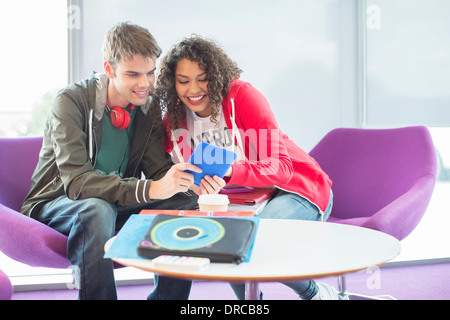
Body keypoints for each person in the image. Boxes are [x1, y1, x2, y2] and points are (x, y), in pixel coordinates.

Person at [20, 23, 224, 300]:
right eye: (133, 74)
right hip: (59, 203)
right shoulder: (71, 101)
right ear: (108, 69)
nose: (144, 84)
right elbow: (77, 183)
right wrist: (151, 189)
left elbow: (159, 172)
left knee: (183, 201)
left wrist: (188, 183)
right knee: (96, 209)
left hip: (113, 203)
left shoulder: (147, 106)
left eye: (150, 73)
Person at [152, 35, 343, 300]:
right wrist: (191, 182)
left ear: (216, 76)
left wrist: (231, 171)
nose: (193, 89)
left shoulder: (242, 96)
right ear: (173, 83)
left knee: (252, 239)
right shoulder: (174, 117)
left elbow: (282, 168)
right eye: (183, 81)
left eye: (203, 78)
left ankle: (316, 293)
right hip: (243, 200)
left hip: (295, 189)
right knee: (227, 243)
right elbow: (162, 169)